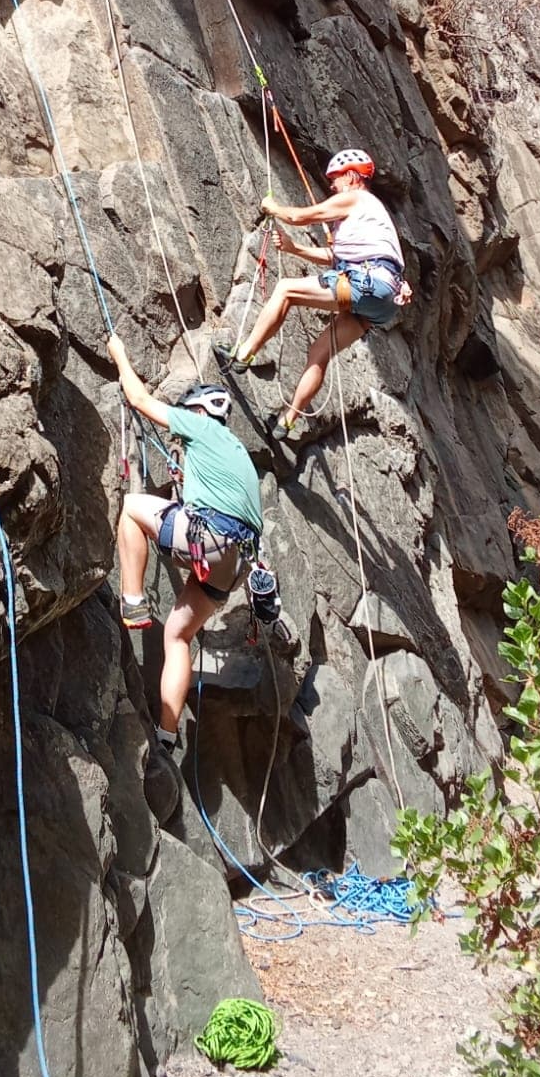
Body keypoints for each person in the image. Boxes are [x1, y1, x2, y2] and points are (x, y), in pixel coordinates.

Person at [106, 332, 264, 753]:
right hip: (231, 566)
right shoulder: (237, 453)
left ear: (198, 411)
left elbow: (139, 401)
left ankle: (133, 599)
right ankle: (168, 732)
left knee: (132, 509)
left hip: (208, 538)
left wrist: (120, 354)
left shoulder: (199, 426)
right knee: (177, 635)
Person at [217, 148, 412, 440]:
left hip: (366, 280)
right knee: (319, 353)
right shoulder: (372, 217)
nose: (332, 185)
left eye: (336, 179)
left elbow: (303, 216)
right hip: (383, 296)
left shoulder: (355, 198)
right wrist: (295, 249)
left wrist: (275, 208)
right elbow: (334, 256)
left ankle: (244, 353)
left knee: (285, 290)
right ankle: (288, 420)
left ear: (352, 177)